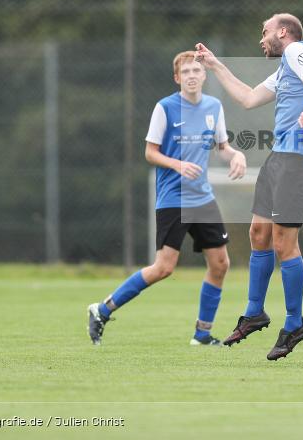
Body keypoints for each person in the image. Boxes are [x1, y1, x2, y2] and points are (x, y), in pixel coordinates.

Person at [193, 13, 303, 361]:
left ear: (282, 33)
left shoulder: (297, 51)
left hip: (298, 161)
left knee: (285, 243)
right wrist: (216, 66)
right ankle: (255, 312)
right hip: (279, 159)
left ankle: (294, 323)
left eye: (265, 31)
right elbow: (249, 98)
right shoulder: (287, 66)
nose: (262, 38)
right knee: (259, 233)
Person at [87, 51, 247, 347]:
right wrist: (177, 164)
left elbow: (222, 147)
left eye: (196, 70)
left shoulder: (214, 106)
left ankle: (202, 334)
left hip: (203, 199)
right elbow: (150, 152)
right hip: (174, 198)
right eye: (185, 71)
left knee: (220, 263)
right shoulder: (166, 108)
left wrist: (236, 154)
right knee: (164, 267)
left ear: (204, 75)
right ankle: (103, 309)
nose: (191, 75)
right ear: (177, 78)